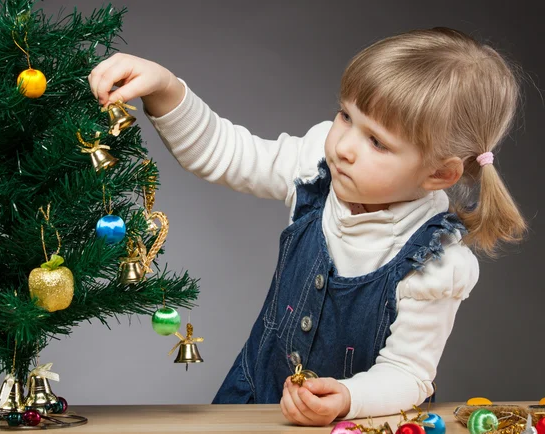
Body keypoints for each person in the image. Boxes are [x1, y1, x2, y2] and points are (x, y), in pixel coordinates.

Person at [88, 27, 527, 426]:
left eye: (376, 141)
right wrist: (165, 88)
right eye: (346, 116)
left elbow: (408, 373)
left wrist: (347, 397)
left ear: (439, 175)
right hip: (255, 406)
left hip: (354, 424)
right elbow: (223, 152)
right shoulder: (315, 167)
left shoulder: (435, 263)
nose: (344, 147)